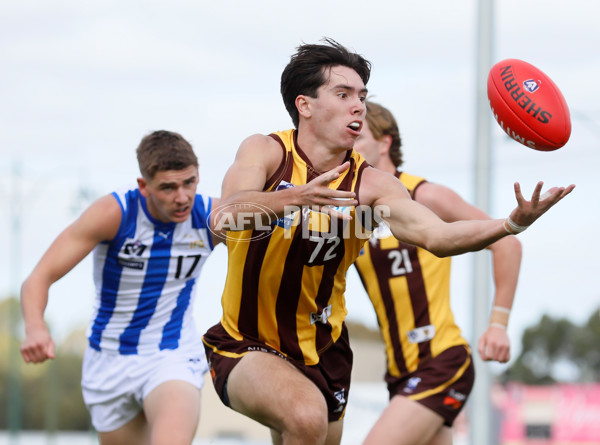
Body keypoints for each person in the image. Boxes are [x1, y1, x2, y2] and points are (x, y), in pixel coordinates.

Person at [202, 38, 573, 445]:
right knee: (306, 417)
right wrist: (296, 196)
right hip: (247, 341)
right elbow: (223, 217)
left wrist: (510, 224)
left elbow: (438, 235)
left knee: (312, 428)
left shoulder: (374, 185)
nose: (358, 105)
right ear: (304, 105)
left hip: (324, 351)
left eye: (361, 96)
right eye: (343, 94)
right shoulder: (266, 151)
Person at [20, 130, 222, 445]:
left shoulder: (213, 216)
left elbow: (277, 224)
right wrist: (35, 328)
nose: (182, 197)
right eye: (168, 187)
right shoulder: (114, 214)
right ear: (144, 187)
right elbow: (39, 277)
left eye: (189, 183)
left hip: (172, 354)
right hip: (109, 359)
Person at [352, 100, 521, 445]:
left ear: (385, 143)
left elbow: (507, 243)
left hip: (442, 361)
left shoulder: (424, 194)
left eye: (358, 135)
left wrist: (498, 325)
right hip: (400, 372)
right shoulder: (352, 209)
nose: (348, 144)